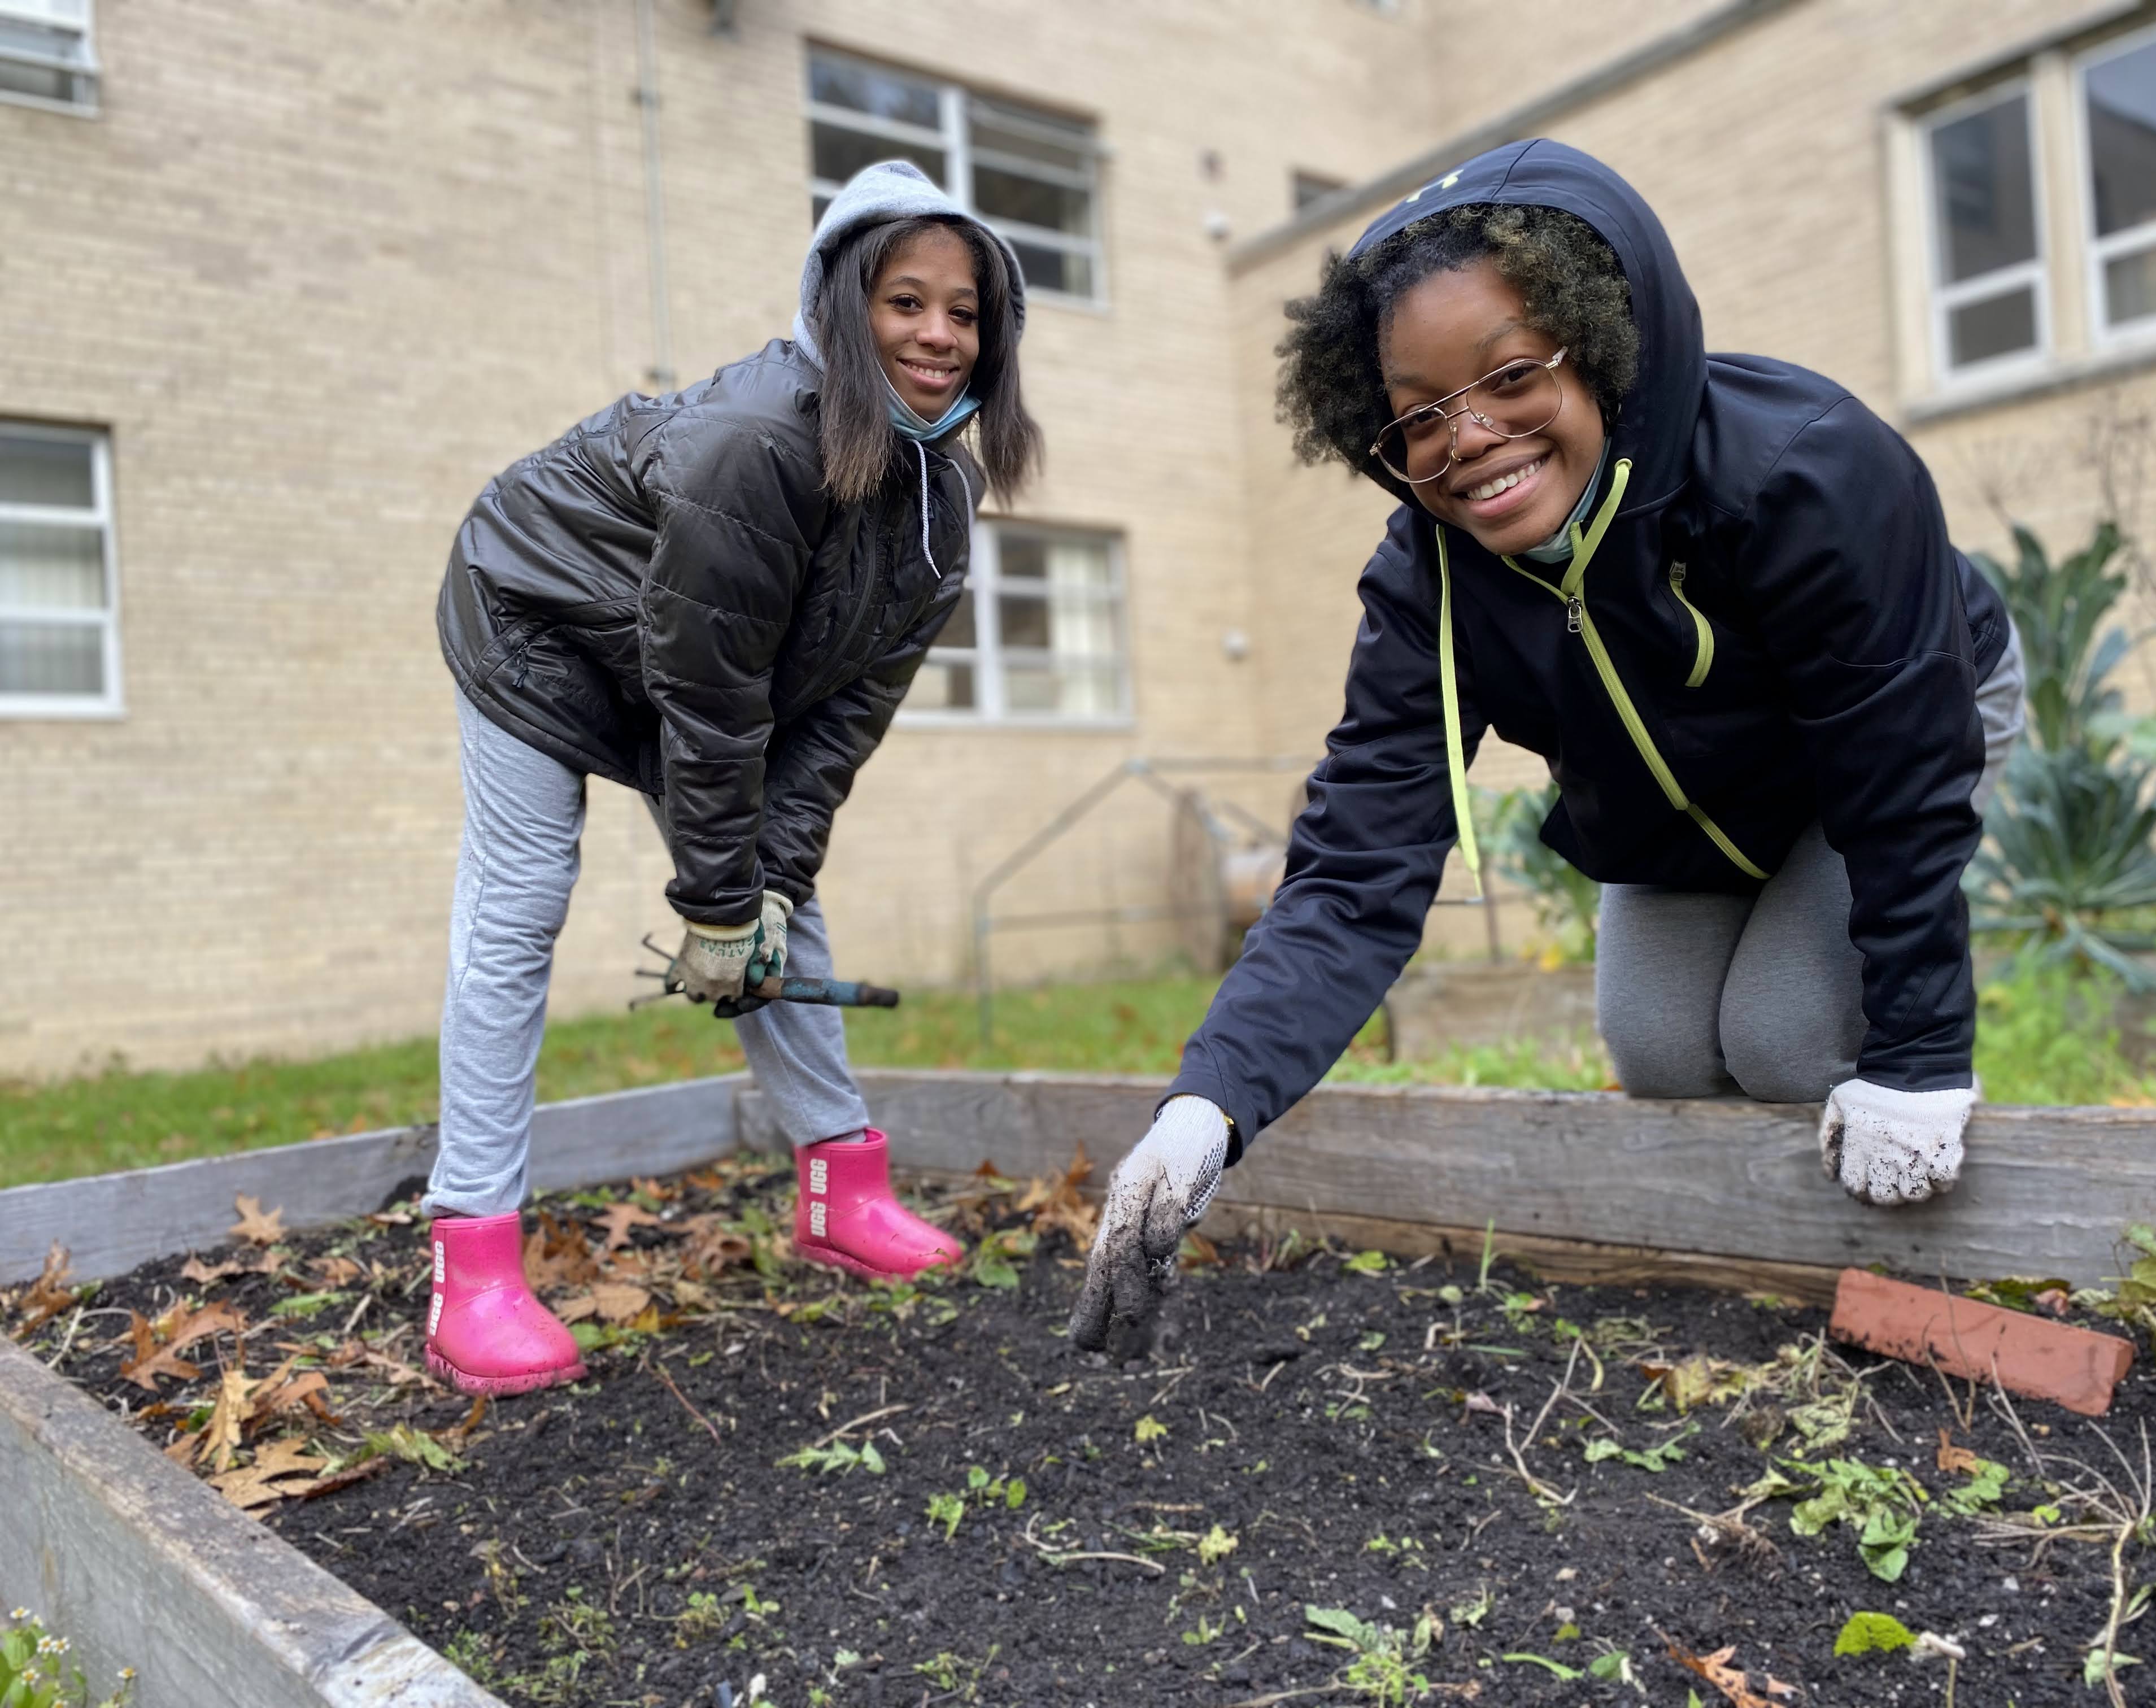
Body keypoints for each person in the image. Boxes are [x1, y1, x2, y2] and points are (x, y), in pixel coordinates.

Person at [1071, 140, 2025, 1357]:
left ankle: (1896, 1294)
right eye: (1417, 413)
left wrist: (1919, 1060)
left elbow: (1898, 784)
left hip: (1900, 722)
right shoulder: (1429, 585)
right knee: (1667, 1048)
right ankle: (1756, 1269)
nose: (1465, 437)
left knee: (1786, 1035)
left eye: (1509, 374)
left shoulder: (1805, 472)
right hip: (1686, 793)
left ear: (1606, 348)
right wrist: (1206, 1112)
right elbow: (1358, 866)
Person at [423, 162, 1040, 1396]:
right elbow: (712, 703)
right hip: (540, 621)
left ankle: (840, 1193)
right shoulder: (759, 442)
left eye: (963, 311)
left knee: (778, 901)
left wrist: (762, 890)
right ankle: (472, 1265)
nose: (936, 334)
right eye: (903, 301)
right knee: (523, 902)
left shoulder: (942, 499)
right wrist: (715, 904)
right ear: (841, 305)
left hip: (686, 665)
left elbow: (839, 718)